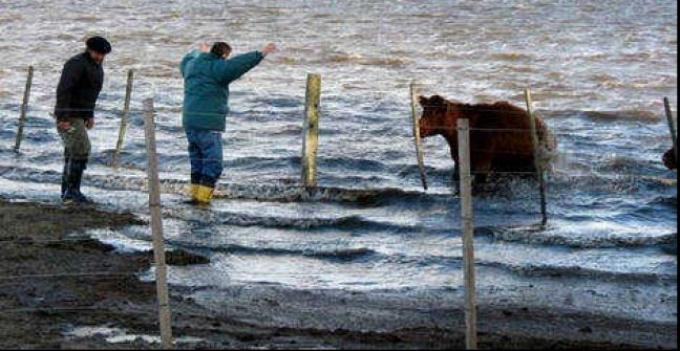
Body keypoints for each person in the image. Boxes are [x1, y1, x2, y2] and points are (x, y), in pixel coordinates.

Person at [180, 41, 276, 204]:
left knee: (198, 161)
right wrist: (261, 53)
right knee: (213, 163)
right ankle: (202, 200)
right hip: (208, 123)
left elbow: (184, 61)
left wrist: (200, 52)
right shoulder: (218, 68)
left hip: (189, 121)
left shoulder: (192, 66)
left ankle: (195, 196)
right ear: (224, 55)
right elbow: (239, 64)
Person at [54, 36, 111, 204]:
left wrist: (89, 115)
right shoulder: (76, 64)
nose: (100, 57)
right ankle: (72, 192)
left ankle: (68, 192)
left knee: (72, 151)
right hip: (69, 115)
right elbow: (64, 90)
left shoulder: (95, 67)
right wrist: (62, 117)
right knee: (81, 148)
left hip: (80, 114)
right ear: (89, 50)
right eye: (98, 53)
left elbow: (89, 94)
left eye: (103, 55)